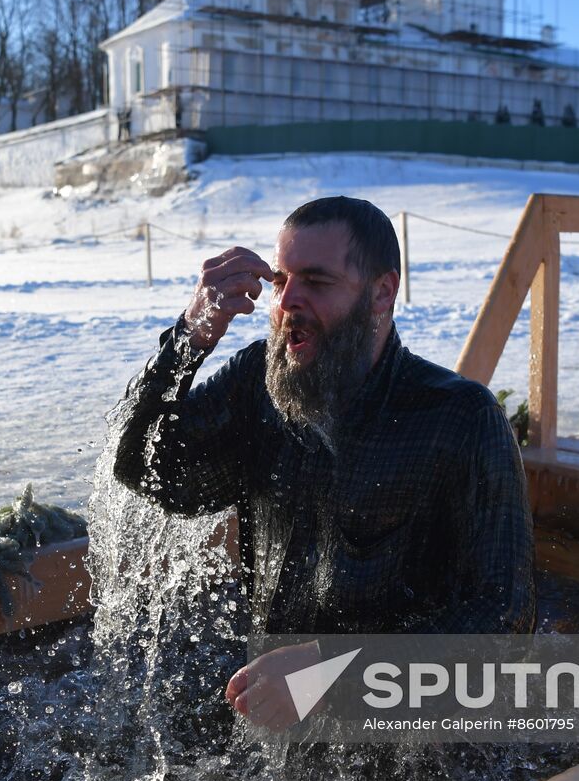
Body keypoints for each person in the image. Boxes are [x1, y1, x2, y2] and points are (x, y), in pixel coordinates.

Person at [112, 196, 535, 732]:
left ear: (382, 291)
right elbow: (144, 467)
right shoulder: (259, 387)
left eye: (316, 281)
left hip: (409, 748)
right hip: (275, 726)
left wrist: (336, 674)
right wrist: (190, 337)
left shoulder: (457, 419)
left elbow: (504, 621)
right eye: (281, 279)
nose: (289, 300)